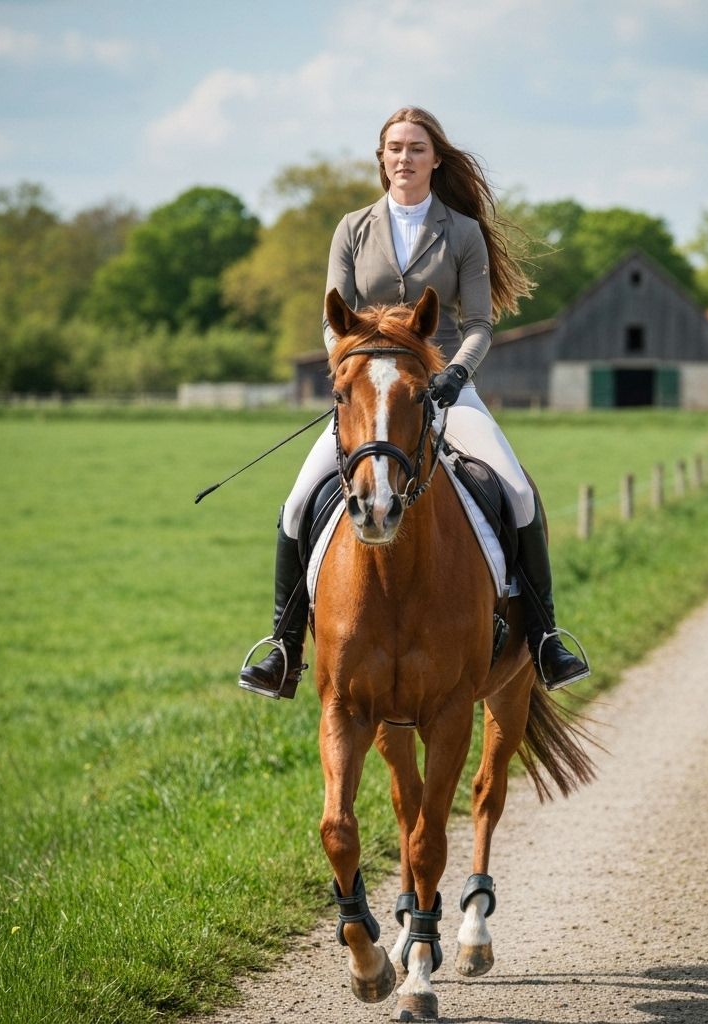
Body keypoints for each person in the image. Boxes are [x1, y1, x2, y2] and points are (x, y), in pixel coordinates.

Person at [239, 106, 589, 699]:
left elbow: (478, 323)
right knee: (298, 503)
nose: (405, 158)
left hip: (447, 386)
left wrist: (454, 374)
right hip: (371, 393)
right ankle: (283, 646)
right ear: (382, 159)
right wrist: (350, 365)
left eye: (417, 148)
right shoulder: (352, 228)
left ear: (436, 159)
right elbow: (334, 318)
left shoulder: (463, 232)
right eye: (395, 148)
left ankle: (546, 639)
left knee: (519, 491)